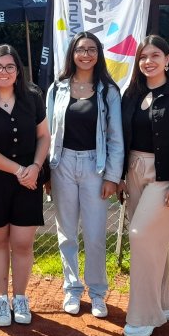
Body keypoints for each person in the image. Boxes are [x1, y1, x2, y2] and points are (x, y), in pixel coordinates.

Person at [117, 35, 169, 336]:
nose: (148, 61)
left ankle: (143, 315)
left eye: (154, 55)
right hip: (133, 171)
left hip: (165, 176)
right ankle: (162, 305)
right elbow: (121, 140)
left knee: (140, 236)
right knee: (154, 243)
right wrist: (120, 176)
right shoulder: (131, 94)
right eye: (143, 57)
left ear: (167, 59)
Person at [0, 45, 49, 327]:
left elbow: (44, 136)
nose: (4, 72)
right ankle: (2, 298)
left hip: (29, 179)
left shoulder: (33, 97)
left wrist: (35, 167)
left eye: (10, 66)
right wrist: (18, 170)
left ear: (18, 71)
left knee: (23, 243)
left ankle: (21, 297)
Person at [45, 31, 122, 319]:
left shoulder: (108, 91)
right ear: (72, 54)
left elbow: (115, 137)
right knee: (66, 233)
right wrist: (47, 173)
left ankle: (98, 293)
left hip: (95, 167)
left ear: (98, 54)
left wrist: (112, 176)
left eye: (91, 49)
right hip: (62, 165)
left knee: (95, 235)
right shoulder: (57, 88)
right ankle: (72, 289)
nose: (86, 54)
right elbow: (47, 133)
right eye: (80, 49)